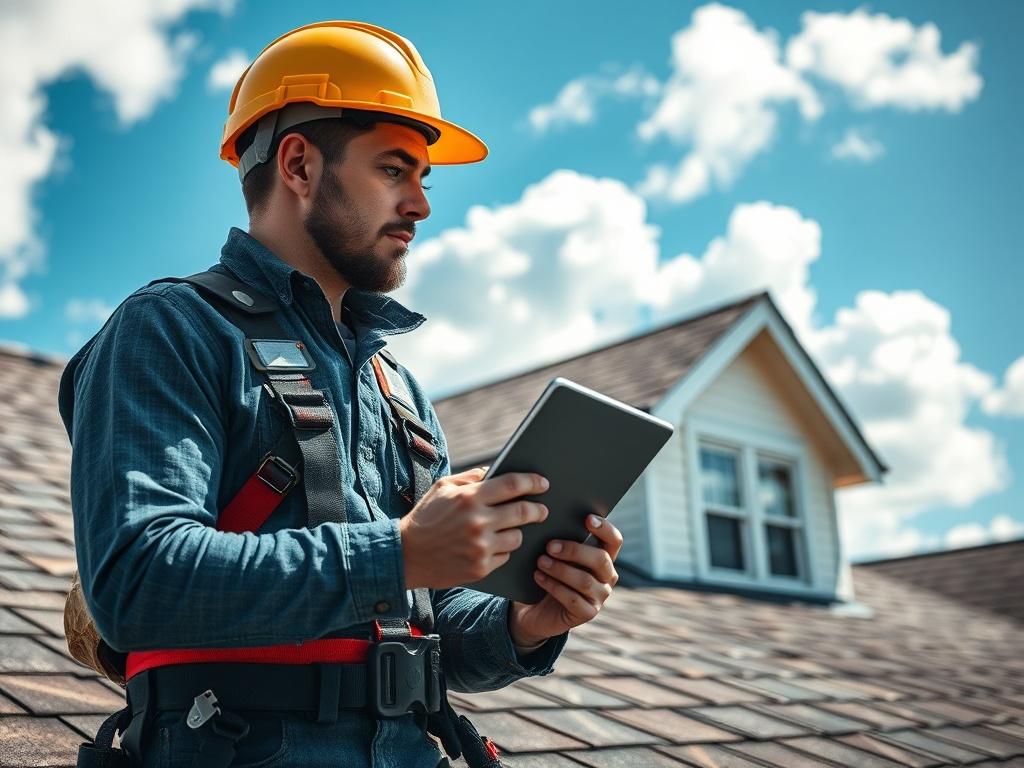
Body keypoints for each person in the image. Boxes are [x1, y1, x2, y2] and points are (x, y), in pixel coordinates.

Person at [59, 20, 622, 768]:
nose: (421, 204)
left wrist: (525, 622)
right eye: (395, 170)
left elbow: (432, 628)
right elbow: (136, 580)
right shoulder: (171, 330)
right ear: (298, 163)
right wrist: (398, 553)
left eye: (425, 178)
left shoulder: (397, 389)